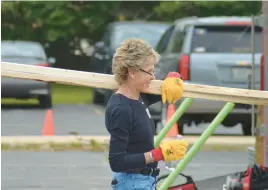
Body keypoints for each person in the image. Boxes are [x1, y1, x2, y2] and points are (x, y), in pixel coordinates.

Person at [105, 38, 188, 190]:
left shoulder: (139, 97)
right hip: (132, 183)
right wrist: (158, 155)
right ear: (132, 72)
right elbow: (116, 161)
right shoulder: (121, 109)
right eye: (149, 71)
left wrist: (175, 77)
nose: (153, 77)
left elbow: (166, 89)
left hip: (144, 181)